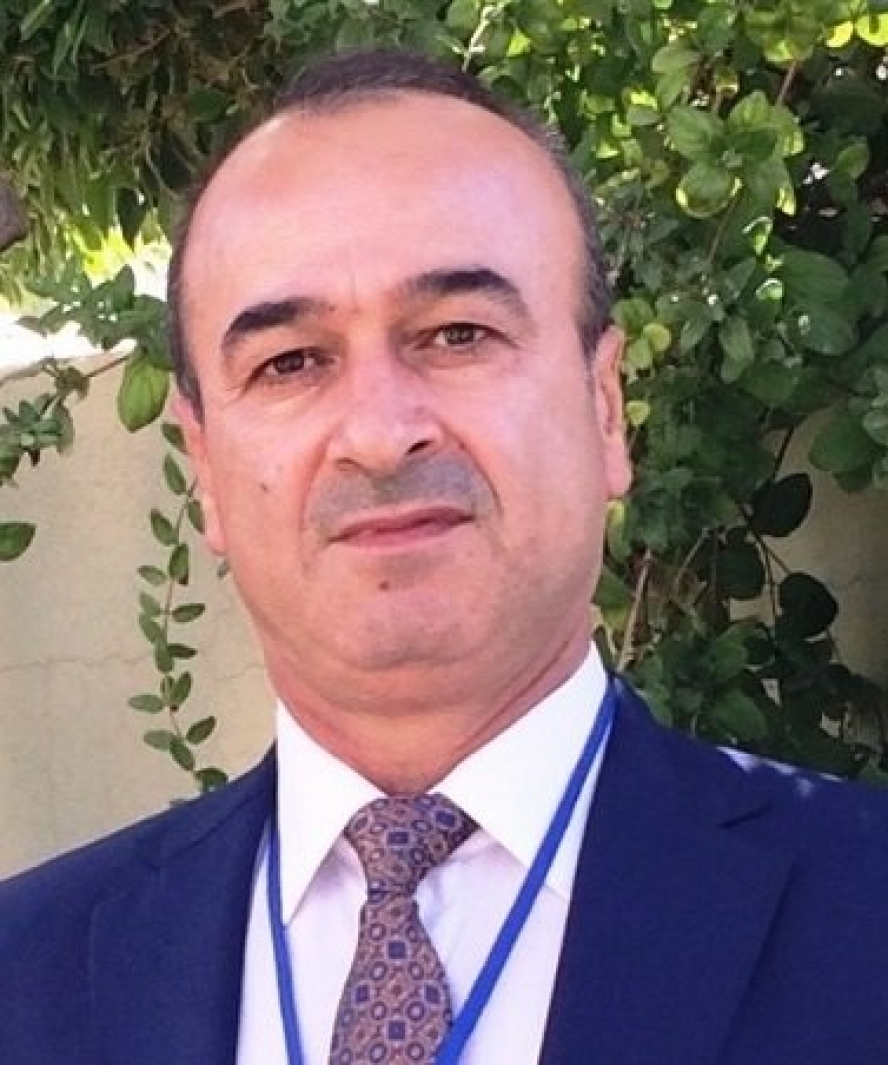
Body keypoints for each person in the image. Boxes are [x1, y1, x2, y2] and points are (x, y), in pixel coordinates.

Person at [2, 49, 888, 1065]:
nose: (381, 434)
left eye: (458, 334)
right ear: (203, 466)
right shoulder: (24, 979)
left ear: (606, 410)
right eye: (290, 361)